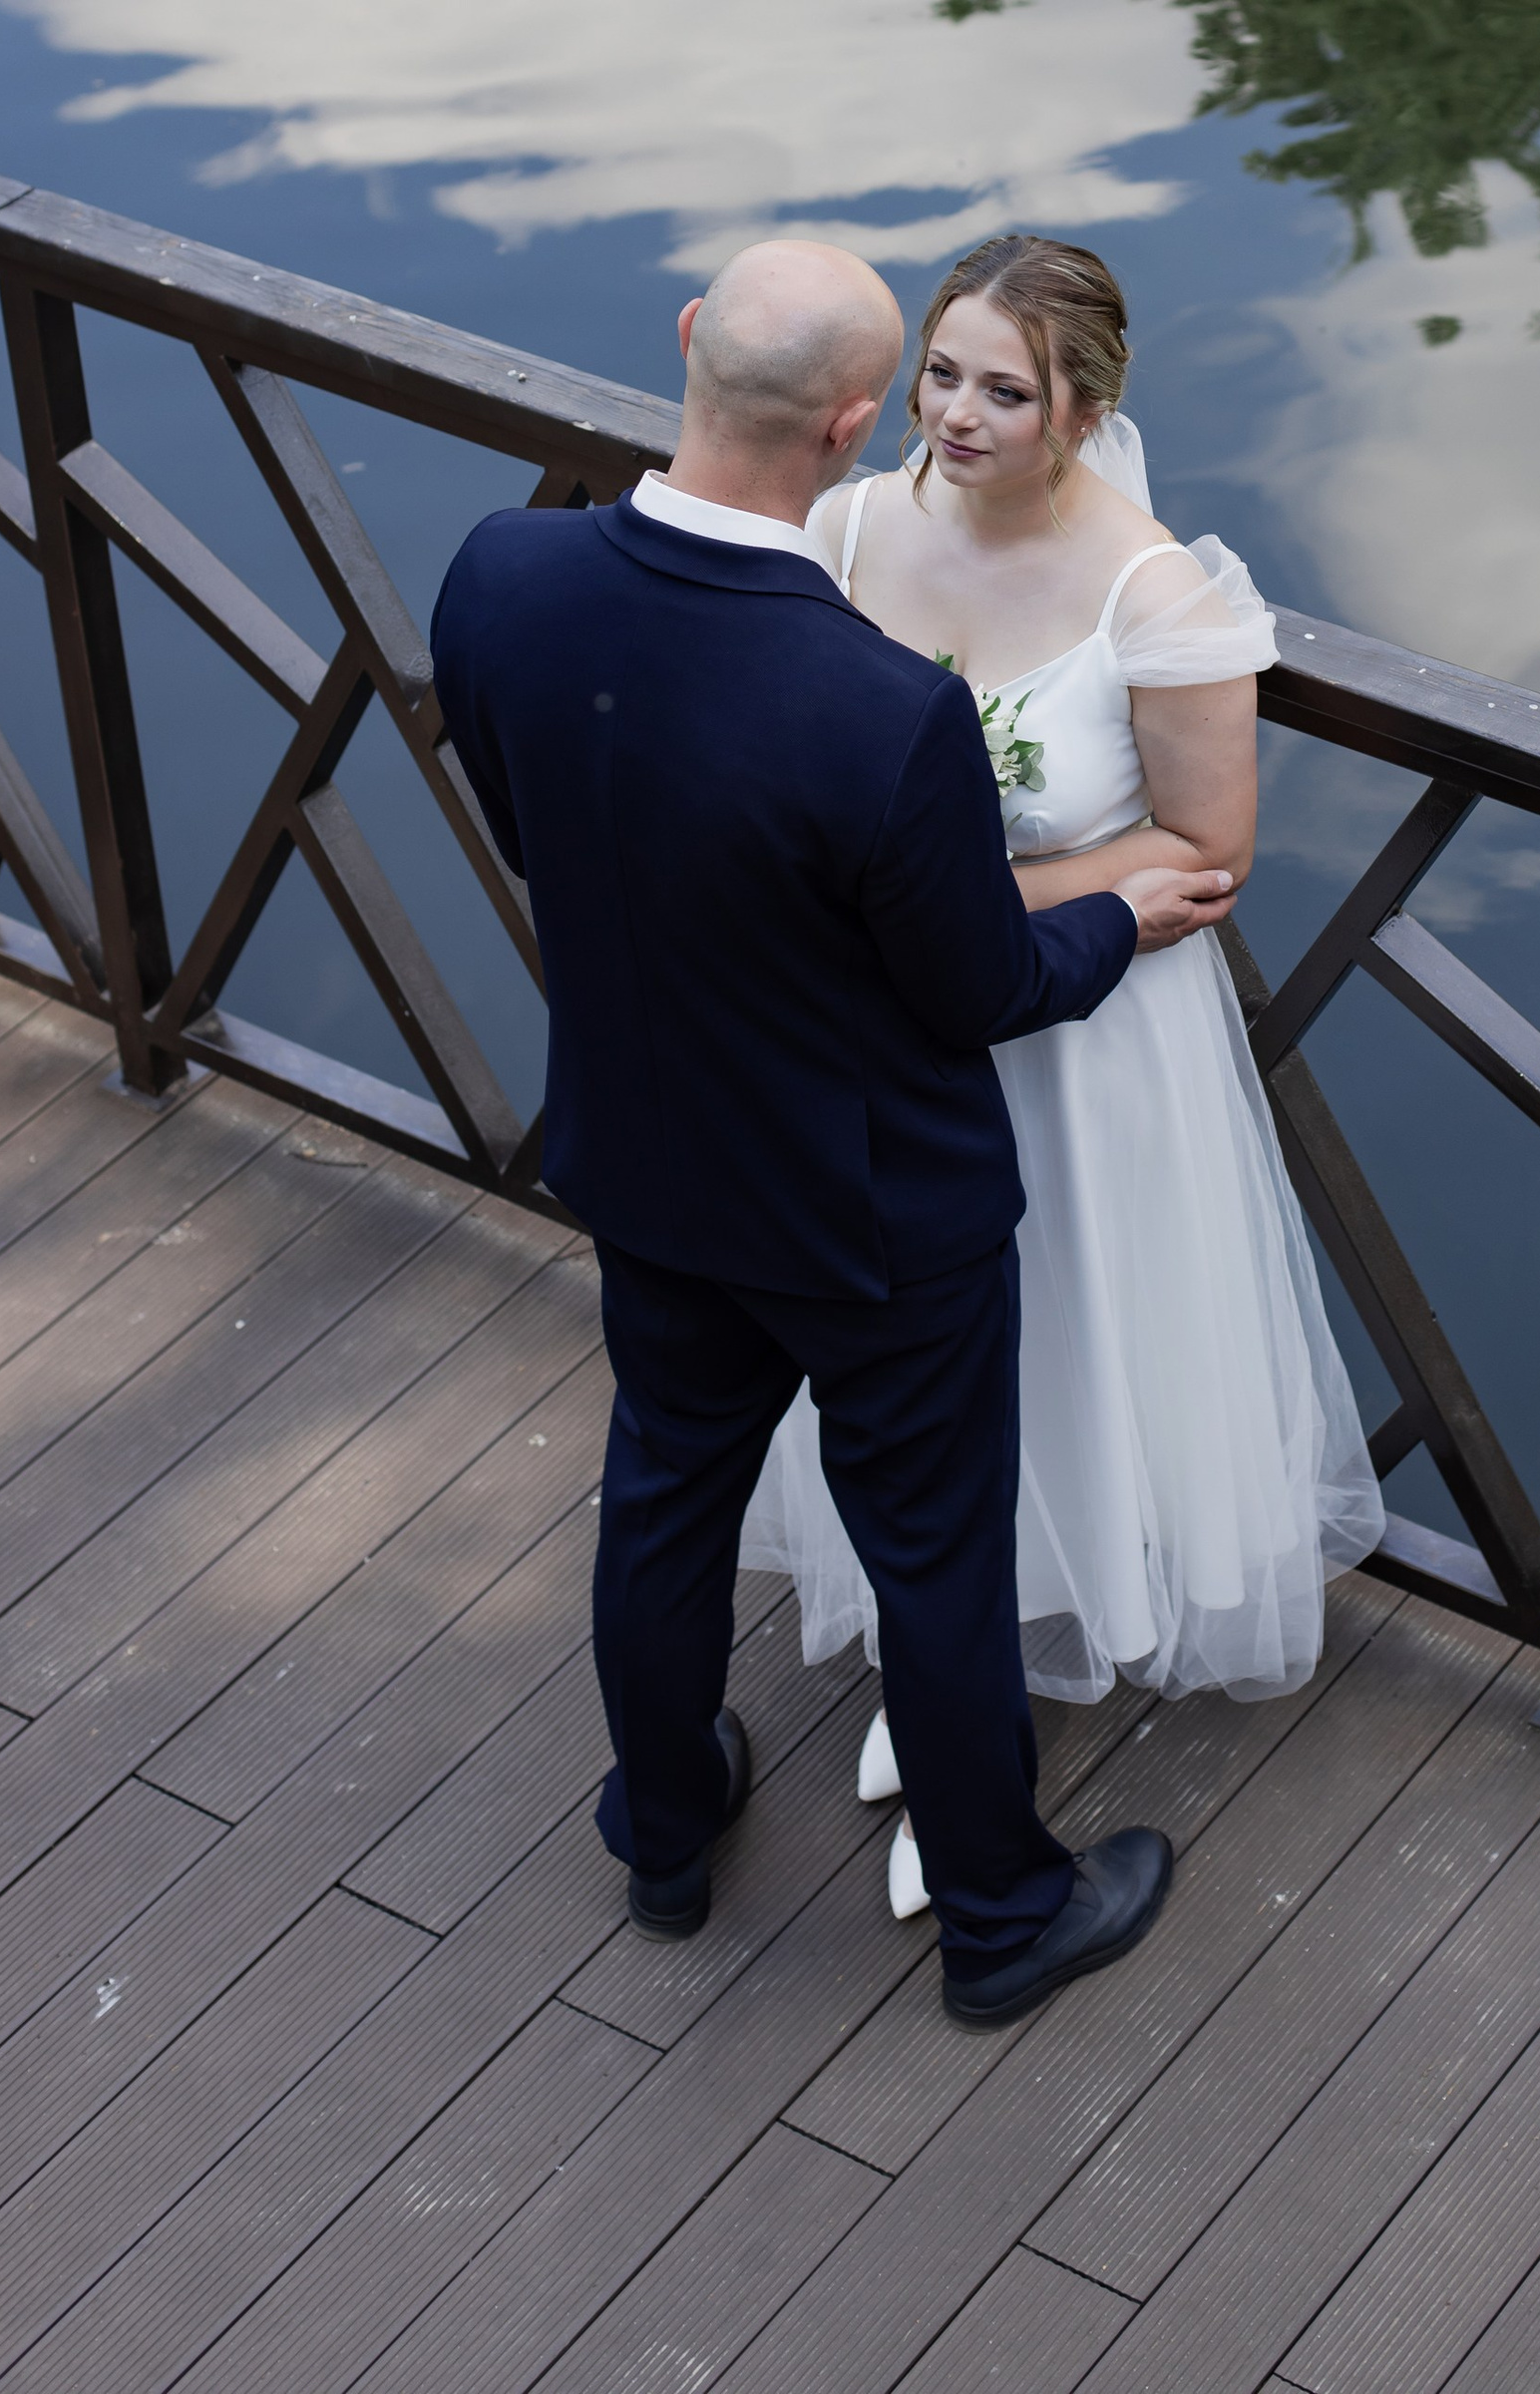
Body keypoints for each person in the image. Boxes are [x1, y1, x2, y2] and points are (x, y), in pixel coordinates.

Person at [429, 240, 1237, 2026]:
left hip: (645, 1154)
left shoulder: (503, 572)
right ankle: (1002, 1918)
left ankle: (662, 1824)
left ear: (694, 343)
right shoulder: (879, 712)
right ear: (866, 422)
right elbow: (971, 990)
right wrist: (1118, 917)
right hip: (876, 1210)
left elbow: (540, 824)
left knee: (662, 1496)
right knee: (938, 1553)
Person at [738, 233, 1384, 1920]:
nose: (951, 415)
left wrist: (949, 905)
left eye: (1001, 390)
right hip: (886, 1036)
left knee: (1064, 1339)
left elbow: (1206, 852)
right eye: (940, 373)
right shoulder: (845, 528)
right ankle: (938, 1677)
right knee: (901, 1366)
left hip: (1083, 1048)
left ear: (1084, 408)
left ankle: (997, 1698)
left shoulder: (1158, 599)